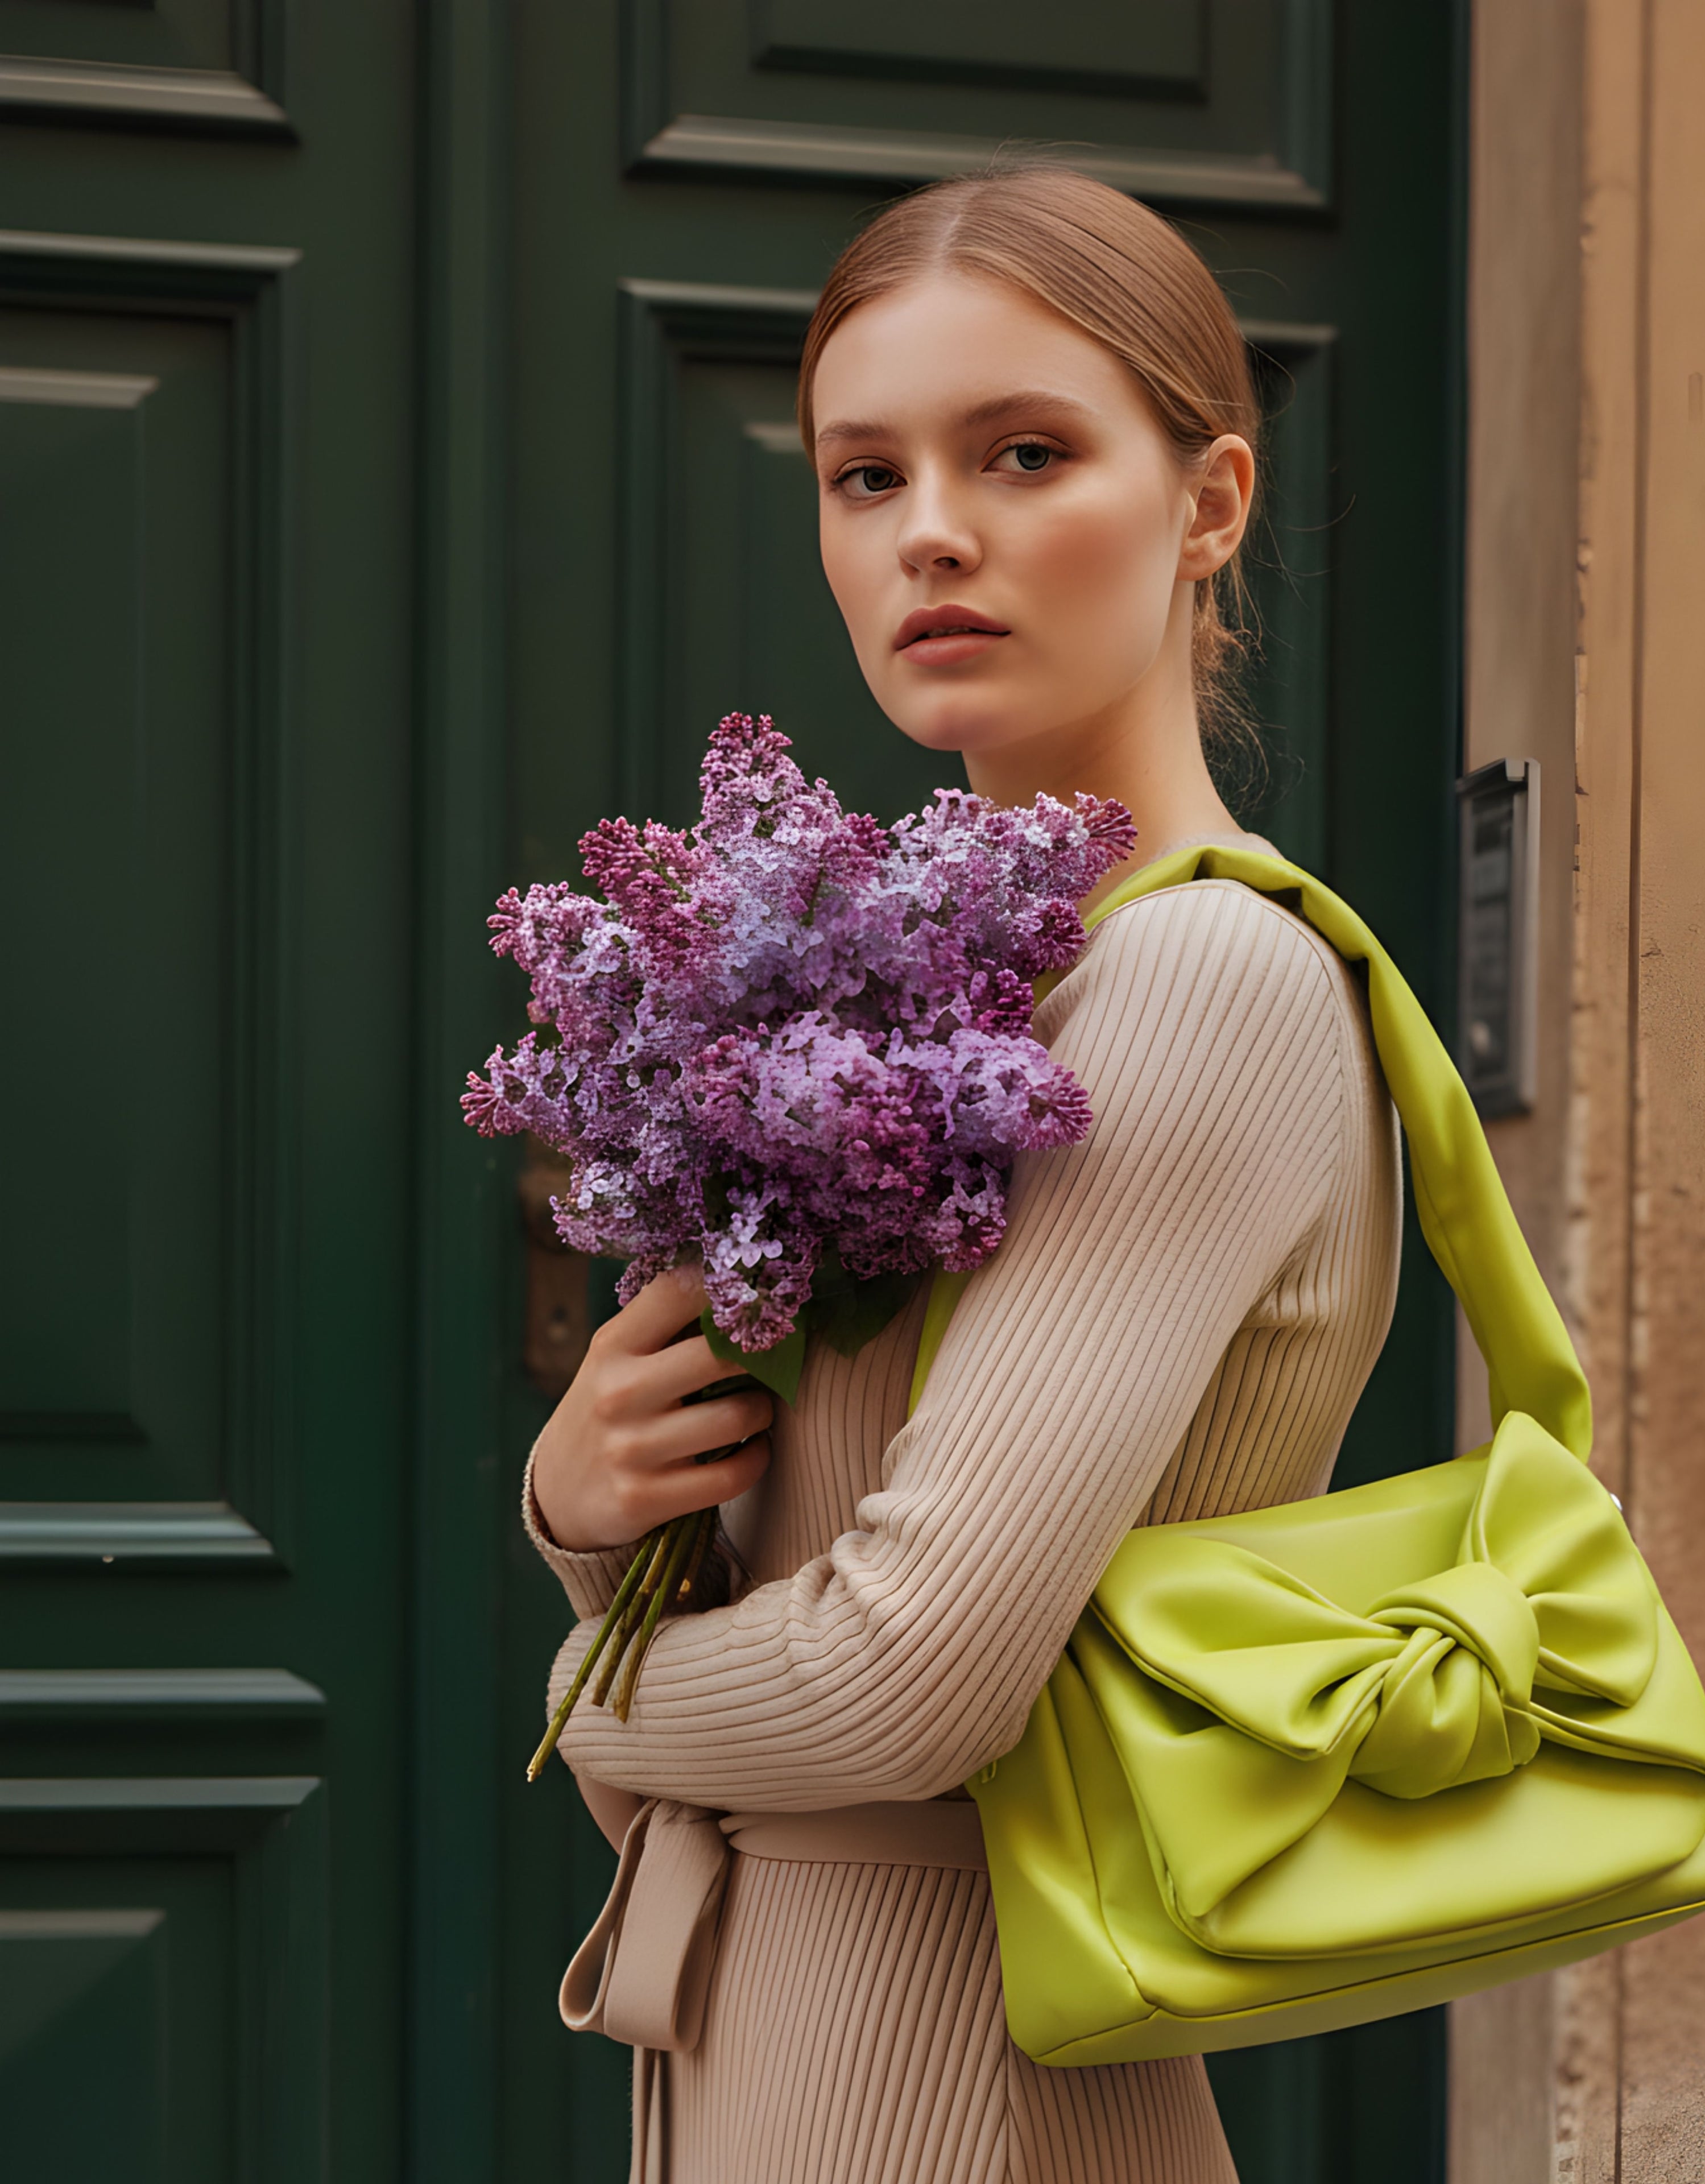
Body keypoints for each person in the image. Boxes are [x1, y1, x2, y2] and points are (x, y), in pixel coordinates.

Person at [525, 165, 1401, 2184]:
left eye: (1024, 453)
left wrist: (585, 1684)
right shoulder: (939, 986)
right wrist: (590, 1506)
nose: (930, 529)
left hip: (950, 2071)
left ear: (1210, 502)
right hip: (777, 2033)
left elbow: (904, 1683)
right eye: (866, 475)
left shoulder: (1192, 979)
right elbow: (783, 1635)